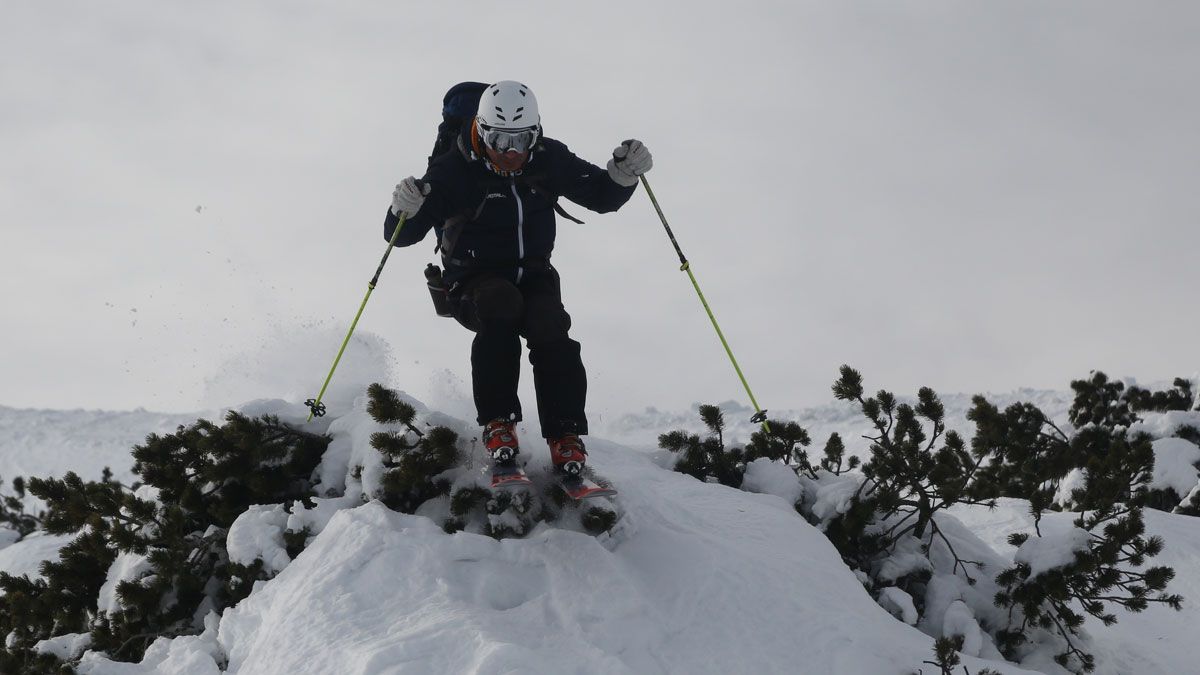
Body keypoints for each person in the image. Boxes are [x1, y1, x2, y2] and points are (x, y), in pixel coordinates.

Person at [384, 80, 652, 477]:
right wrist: (400, 209)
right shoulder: (453, 171)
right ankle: (498, 423)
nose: (510, 152)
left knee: (550, 326)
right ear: (481, 130)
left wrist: (623, 175)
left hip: (534, 273)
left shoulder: (548, 158)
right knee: (500, 306)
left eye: (521, 139)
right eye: (497, 139)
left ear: (536, 131)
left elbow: (601, 196)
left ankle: (565, 436)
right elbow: (401, 236)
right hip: (472, 280)